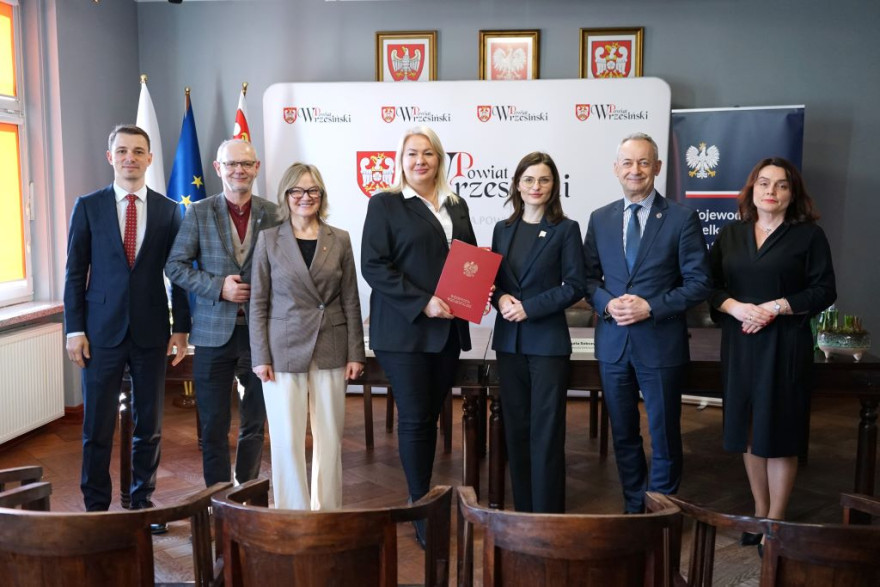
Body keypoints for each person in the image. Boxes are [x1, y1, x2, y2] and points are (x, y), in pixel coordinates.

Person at [64, 124, 190, 527]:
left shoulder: (169, 210)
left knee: (149, 424)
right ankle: (96, 510)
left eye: (138, 151)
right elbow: (74, 273)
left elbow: (179, 274)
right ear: (111, 157)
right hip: (99, 333)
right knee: (96, 427)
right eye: (122, 151)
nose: (129, 158)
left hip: (152, 332)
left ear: (149, 159)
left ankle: (141, 502)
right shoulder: (88, 206)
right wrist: (74, 329)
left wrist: (181, 327)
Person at [708, 157, 835, 549]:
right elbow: (709, 286)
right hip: (741, 344)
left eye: (781, 185)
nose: (771, 191)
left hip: (785, 346)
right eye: (764, 183)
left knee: (779, 431)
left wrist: (776, 307)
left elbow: (823, 290)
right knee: (749, 430)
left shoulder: (809, 237)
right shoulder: (731, 234)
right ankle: (760, 511)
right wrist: (735, 308)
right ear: (752, 189)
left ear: (792, 194)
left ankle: (776, 521)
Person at [583, 132, 711, 514]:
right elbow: (586, 280)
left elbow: (700, 283)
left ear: (657, 167)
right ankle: (634, 510)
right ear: (616, 168)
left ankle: (661, 514)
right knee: (623, 435)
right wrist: (607, 304)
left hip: (660, 343)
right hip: (613, 345)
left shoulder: (682, 218)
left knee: (664, 434)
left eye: (643, 162)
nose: (635, 170)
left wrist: (650, 307)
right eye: (627, 162)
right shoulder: (600, 218)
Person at [361, 126, 477, 547]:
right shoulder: (385, 203)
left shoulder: (456, 204)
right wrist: (423, 302)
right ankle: (419, 504)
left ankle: (424, 495)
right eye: (412, 153)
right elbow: (374, 266)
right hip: (404, 331)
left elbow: (470, 261)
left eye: (428, 153)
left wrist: (475, 294)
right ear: (401, 160)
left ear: (439, 159)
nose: (420, 160)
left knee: (430, 414)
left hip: (447, 331)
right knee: (414, 416)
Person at [165, 138, 280, 487]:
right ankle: (216, 496)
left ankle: (247, 492)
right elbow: (175, 266)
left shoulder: (275, 213)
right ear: (218, 168)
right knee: (213, 425)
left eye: (245, 163)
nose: (238, 170)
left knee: (254, 423)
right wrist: (219, 287)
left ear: (256, 168)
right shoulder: (199, 212)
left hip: (261, 335)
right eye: (231, 164)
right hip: (212, 334)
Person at [249, 162, 365, 510]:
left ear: (321, 195)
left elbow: (350, 299)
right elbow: (258, 302)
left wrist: (356, 353)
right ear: (286, 195)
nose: (305, 197)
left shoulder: (339, 238)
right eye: (297, 190)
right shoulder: (269, 239)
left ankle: (327, 512)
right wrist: (260, 356)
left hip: (331, 344)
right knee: (287, 440)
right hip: (282, 349)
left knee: (329, 438)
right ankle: (291, 513)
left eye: (313, 190)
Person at [490, 152, 587, 513]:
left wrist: (529, 307)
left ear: (553, 186)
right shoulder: (502, 229)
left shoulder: (566, 229)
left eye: (544, 180)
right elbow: (494, 283)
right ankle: (523, 512)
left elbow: (575, 286)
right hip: (509, 342)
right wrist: (500, 299)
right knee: (516, 428)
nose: (536, 186)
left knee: (545, 432)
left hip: (547, 343)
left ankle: (547, 514)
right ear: (517, 184)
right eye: (529, 179)